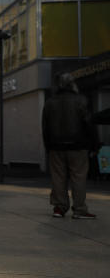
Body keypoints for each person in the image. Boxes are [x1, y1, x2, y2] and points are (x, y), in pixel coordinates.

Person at [42, 73, 98, 219]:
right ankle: (79, 209)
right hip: (78, 146)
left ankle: (59, 208)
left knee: (58, 178)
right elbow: (88, 124)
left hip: (56, 147)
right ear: (73, 84)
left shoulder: (50, 102)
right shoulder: (81, 100)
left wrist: (48, 147)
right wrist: (94, 145)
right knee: (78, 177)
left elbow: (45, 127)